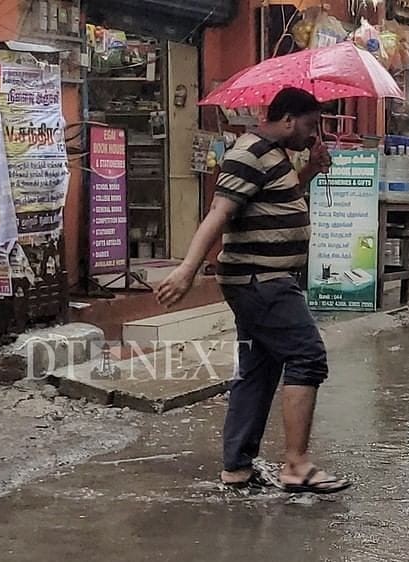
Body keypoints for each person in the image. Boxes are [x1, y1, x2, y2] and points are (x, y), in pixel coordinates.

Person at [155, 87, 352, 494]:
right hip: (260, 280)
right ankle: (296, 464)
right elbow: (219, 213)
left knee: (259, 370)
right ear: (288, 120)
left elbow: (273, 204)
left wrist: (311, 171)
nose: (312, 136)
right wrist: (187, 270)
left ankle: (237, 467)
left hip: (264, 279)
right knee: (307, 357)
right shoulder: (249, 153)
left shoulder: (272, 153)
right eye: (310, 126)